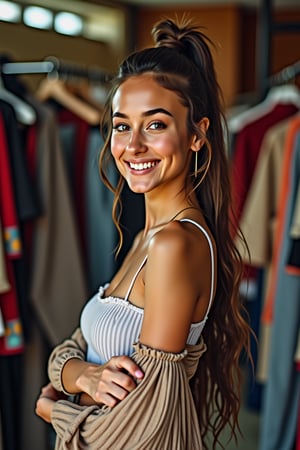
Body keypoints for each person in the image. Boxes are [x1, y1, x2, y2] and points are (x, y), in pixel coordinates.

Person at [35, 17, 252, 450]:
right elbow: (73, 347)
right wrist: (78, 375)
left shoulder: (176, 244)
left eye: (155, 125)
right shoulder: (147, 237)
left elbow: (142, 418)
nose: (132, 146)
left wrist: (53, 406)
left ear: (196, 136)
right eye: (121, 125)